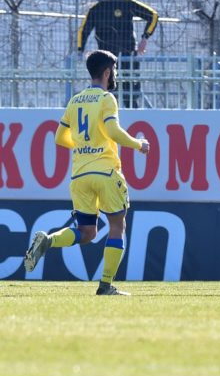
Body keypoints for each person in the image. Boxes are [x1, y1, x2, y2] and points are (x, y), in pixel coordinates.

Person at [24, 50, 150, 295]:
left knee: (87, 232)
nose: (115, 75)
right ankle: (105, 285)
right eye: (114, 70)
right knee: (117, 225)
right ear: (107, 72)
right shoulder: (106, 98)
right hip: (105, 172)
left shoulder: (75, 100)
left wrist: (84, 145)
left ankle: (48, 240)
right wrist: (138, 144)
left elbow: (59, 138)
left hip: (80, 175)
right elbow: (112, 131)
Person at [77, 0, 159, 109]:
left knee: (130, 96)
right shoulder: (95, 11)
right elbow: (83, 31)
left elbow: (153, 16)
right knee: (108, 97)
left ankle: (133, 120)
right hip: (106, 62)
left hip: (127, 58)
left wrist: (145, 38)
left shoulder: (125, 3)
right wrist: (81, 51)